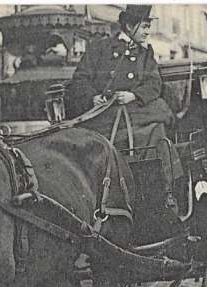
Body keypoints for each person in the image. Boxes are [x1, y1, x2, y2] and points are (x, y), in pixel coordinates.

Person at [66, 5, 182, 212]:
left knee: (157, 130)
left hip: (135, 112)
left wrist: (133, 95)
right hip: (102, 115)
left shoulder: (146, 54)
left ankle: (159, 193)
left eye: (148, 27)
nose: (147, 31)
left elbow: (154, 84)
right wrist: (93, 97)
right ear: (129, 25)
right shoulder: (99, 47)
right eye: (144, 26)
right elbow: (80, 80)